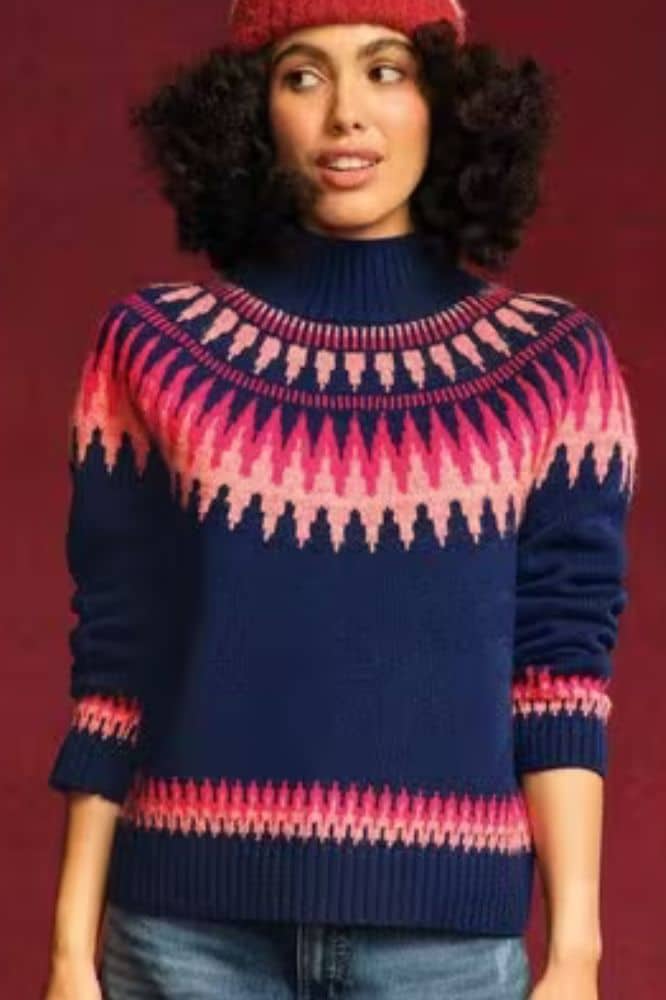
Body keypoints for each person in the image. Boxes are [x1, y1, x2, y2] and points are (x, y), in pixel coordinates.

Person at [44, 2, 639, 998]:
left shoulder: (551, 364)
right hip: (186, 944)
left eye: (387, 70)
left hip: (445, 955)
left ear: (449, 102)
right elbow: (117, 656)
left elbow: (561, 670)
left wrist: (576, 949)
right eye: (303, 75)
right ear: (250, 109)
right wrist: (70, 950)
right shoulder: (155, 349)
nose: (346, 114)